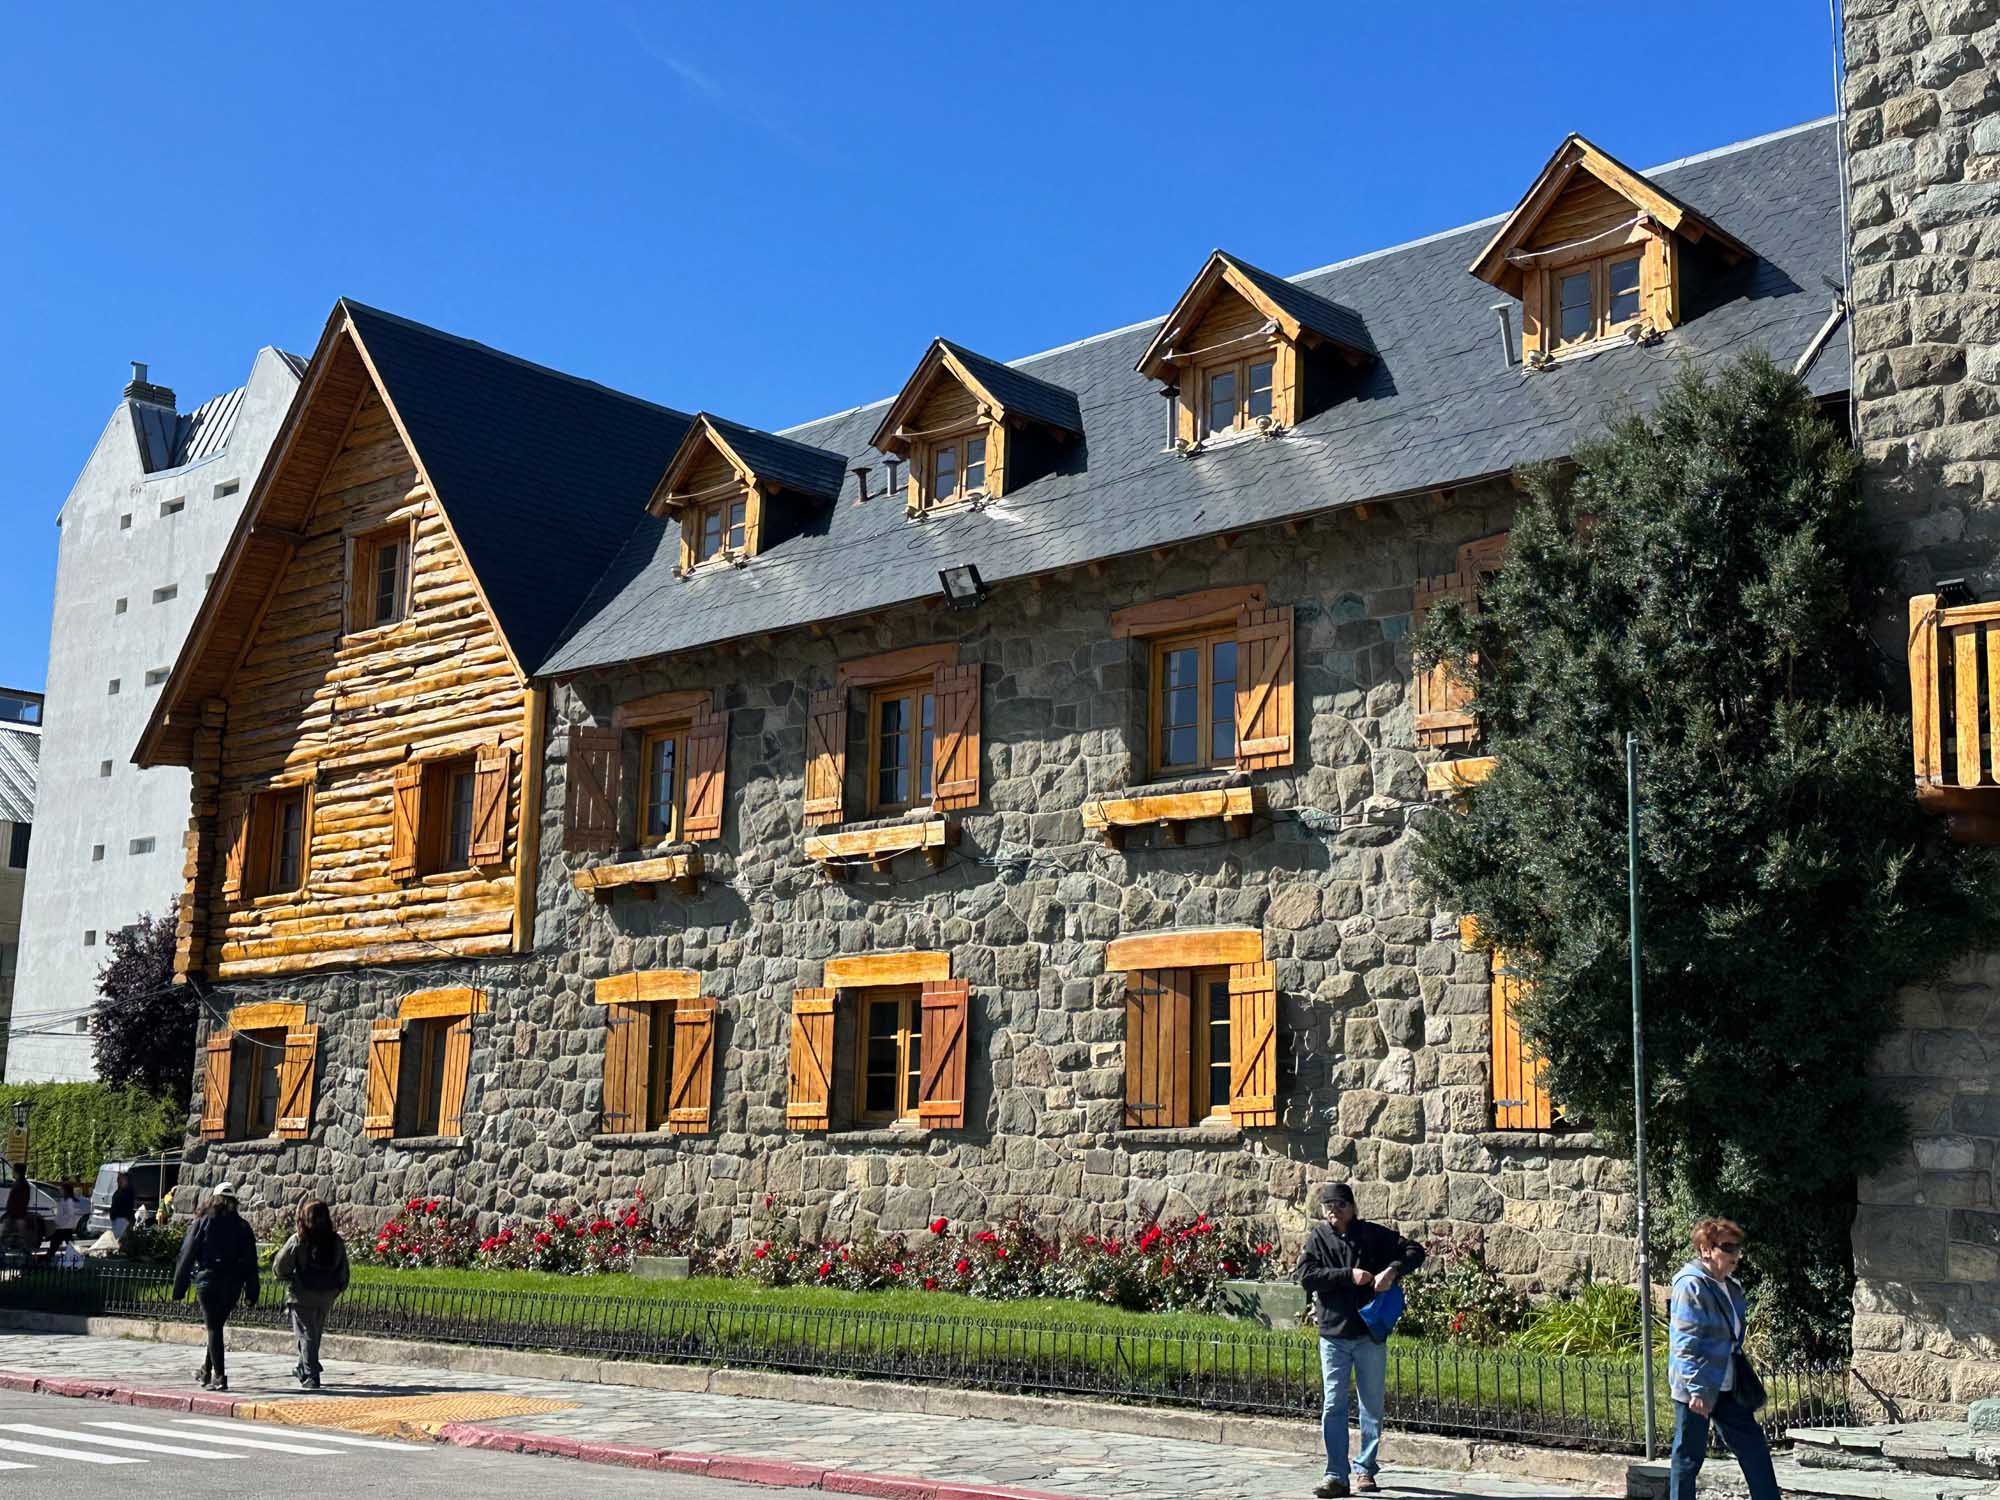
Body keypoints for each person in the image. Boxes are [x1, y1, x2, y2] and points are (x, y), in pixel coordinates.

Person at [1296, 1182, 1428, 1499]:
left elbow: (1415, 1251)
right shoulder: (1318, 1238)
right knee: (1333, 1405)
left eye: (1340, 1205)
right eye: (1328, 1206)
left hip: (1370, 1333)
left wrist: (1392, 1271)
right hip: (1334, 1334)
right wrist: (1347, 1275)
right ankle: (1335, 1475)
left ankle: (1365, 1469)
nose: (1333, 1211)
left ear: (1352, 1207)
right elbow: (1306, 1276)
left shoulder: (1373, 1235)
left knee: (1371, 1406)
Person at [1668, 1218, 1778, 1500]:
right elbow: (1684, 1343)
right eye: (1728, 1248)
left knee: (1754, 1448)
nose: (1735, 1255)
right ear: (1705, 1249)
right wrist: (1696, 1390)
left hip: (1727, 1383)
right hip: (1699, 1386)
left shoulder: (1731, 1286)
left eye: (1737, 1248)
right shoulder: (1690, 1286)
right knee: (1688, 1457)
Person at [169, 1183, 259, 1391]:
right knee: (216, 1326)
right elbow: (250, 1262)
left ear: (213, 1199)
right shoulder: (243, 1226)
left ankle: (219, 1376)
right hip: (233, 1283)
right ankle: (205, 1371)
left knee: (214, 1327)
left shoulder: (203, 1221)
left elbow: (187, 1254)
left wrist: (179, 1287)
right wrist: (252, 1291)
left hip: (208, 1280)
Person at [272, 1198, 349, 1390]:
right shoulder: (335, 1241)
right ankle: (302, 1366)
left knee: (306, 1334)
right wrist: (339, 1287)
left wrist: (287, 1277)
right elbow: (343, 1268)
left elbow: (280, 1265)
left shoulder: (299, 1239)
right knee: (314, 1333)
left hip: (302, 1293)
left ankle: (311, 1374)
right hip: (327, 1294)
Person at [51, 1181, 89, 1248]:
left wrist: (61, 1222)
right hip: (65, 1227)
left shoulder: (68, 1201)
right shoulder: (65, 1200)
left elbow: (69, 1213)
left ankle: (49, 1256)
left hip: (63, 1226)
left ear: (66, 1191)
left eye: (61, 1189)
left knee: (55, 1243)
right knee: (67, 1243)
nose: (60, 1191)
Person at [109, 1172, 137, 1242]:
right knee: (120, 1240)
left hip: (123, 1219)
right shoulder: (121, 1192)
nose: (118, 1181)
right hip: (120, 1219)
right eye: (118, 1179)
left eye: (121, 1179)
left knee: (121, 1240)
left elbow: (128, 1206)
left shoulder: (125, 1193)